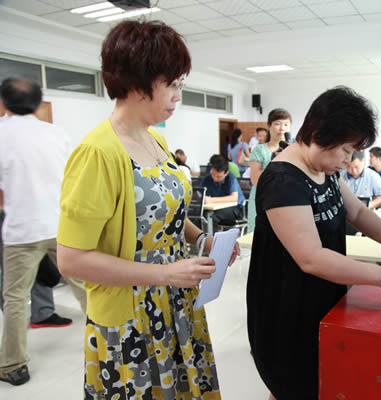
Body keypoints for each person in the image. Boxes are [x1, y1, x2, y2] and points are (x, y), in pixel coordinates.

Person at [55, 21, 238, 399]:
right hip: (132, 312)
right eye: (171, 84)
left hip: (174, 298)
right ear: (138, 81)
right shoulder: (98, 153)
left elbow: (166, 214)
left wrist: (202, 240)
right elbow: (71, 259)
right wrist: (165, 273)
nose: (177, 96)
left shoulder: (156, 139)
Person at [247, 86, 381, 400]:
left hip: (322, 298)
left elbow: (358, 212)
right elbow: (311, 257)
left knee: (313, 382)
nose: (348, 160)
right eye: (345, 150)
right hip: (288, 309)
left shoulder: (326, 170)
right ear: (319, 134)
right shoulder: (283, 181)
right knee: (293, 385)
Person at [0, 78, 87, 386]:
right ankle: (109, 339)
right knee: (84, 285)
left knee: (15, 297)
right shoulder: (57, 134)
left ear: (4, 103)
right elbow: (74, 179)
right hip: (60, 225)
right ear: (38, 104)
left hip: (21, 230)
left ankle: (13, 365)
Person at [247, 108, 292, 233]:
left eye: (286, 124)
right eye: (277, 124)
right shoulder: (260, 150)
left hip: (286, 200)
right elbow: (254, 179)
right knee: (260, 237)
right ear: (269, 126)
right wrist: (274, 163)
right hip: (262, 200)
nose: (282, 128)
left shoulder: (294, 149)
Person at [202, 155, 246, 233]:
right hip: (216, 208)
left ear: (226, 173)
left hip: (236, 209)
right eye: (213, 175)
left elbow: (234, 198)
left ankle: (213, 240)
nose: (215, 178)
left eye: (219, 177)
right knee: (200, 215)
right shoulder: (208, 179)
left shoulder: (231, 178)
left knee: (212, 217)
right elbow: (199, 193)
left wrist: (211, 200)